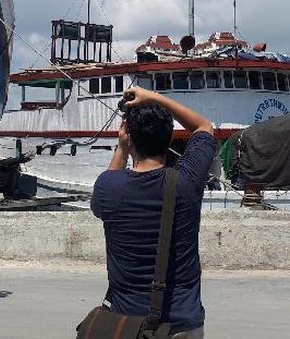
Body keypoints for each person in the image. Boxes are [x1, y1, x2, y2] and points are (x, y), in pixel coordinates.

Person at [91, 86, 216, 338]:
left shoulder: (108, 187)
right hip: (184, 323)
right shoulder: (186, 181)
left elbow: (103, 194)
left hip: (127, 325)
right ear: (170, 139)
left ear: (129, 138)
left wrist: (122, 149)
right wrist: (153, 97)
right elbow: (204, 127)